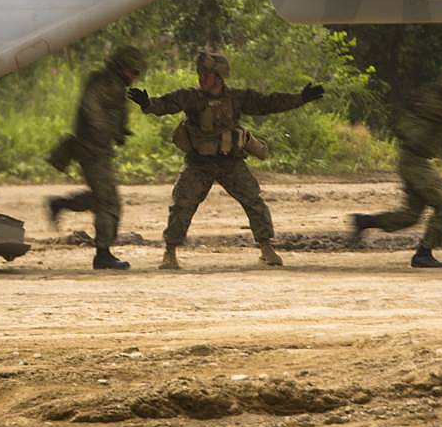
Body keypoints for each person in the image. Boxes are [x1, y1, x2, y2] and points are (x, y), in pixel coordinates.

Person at [128, 51, 324, 269]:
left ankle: (266, 248)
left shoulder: (237, 98)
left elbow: (268, 103)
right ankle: (170, 252)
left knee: (254, 201)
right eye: (200, 74)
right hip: (199, 163)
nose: (202, 78)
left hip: (230, 161)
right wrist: (147, 103)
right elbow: (166, 104)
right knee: (182, 204)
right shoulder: (192, 97)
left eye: (207, 74)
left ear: (219, 78)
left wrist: (300, 98)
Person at [350, 64, 442, 268]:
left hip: (419, 161)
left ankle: (364, 222)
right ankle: (424, 253)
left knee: (409, 216)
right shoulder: (430, 99)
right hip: (412, 160)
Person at [46, 46, 145, 270]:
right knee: (109, 202)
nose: (134, 77)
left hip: (96, 149)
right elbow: (92, 110)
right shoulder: (105, 83)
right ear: (122, 67)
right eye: (132, 71)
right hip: (92, 150)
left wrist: (118, 132)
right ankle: (103, 254)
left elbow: (108, 113)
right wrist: (106, 132)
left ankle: (61, 203)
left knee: (100, 199)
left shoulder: (112, 84)